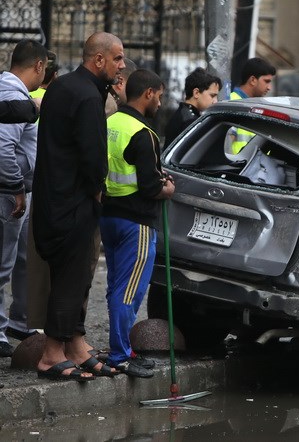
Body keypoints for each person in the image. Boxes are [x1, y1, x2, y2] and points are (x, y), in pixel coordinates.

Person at [32, 31, 126, 381]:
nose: (121, 66)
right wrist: (98, 190)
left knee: (69, 277)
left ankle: (75, 345)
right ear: (98, 59)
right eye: (117, 58)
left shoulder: (63, 86)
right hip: (73, 202)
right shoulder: (87, 96)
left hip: (52, 198)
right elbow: (92, 157)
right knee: (71, 278)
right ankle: (51, 354)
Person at [101, 69, 174, 377]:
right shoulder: (143, 134)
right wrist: (168, 187)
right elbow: (150, 186)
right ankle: (119, 356)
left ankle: (124, 349)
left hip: (109, 216)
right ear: (148, 94)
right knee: (128, 292)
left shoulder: (110, 122)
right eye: (159, 95)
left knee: (116, 287)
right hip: (137, 223)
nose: (160, 101)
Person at [0, 39, 48, 356]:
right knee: (2, 264)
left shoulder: (14, 92)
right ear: (39, 66)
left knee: (22, 261)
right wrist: (15, 187)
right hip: (8, 193)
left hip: (19, 191)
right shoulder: (13, 94)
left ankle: (20, 321)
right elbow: (3, 148)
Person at [164, 67, 222, 150]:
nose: (215, 101)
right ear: (196, 93)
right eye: (212, 96)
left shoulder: (182, 114)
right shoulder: (190, 121)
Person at [228, 58, 276, 154]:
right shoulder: (232, 103)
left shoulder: (258, 105)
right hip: (239, 167)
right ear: (253, 80)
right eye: (266, 81)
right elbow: (227, 143)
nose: (269, 87)